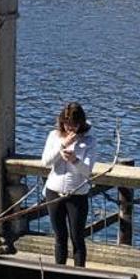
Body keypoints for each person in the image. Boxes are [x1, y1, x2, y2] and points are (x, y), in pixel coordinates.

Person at [40, 101, 95, 267]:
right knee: (59, 236)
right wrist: (61, 147)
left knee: (77, 236)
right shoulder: (53, 136)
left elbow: (87, 171)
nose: (70, 129)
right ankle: (59, 272)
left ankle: (79, 275)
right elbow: (46, 162)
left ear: (81, 123)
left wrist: (74, 160)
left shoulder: (89, 141)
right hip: (54, 191)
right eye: (67, 125)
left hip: (76, 194)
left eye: (74, 125)